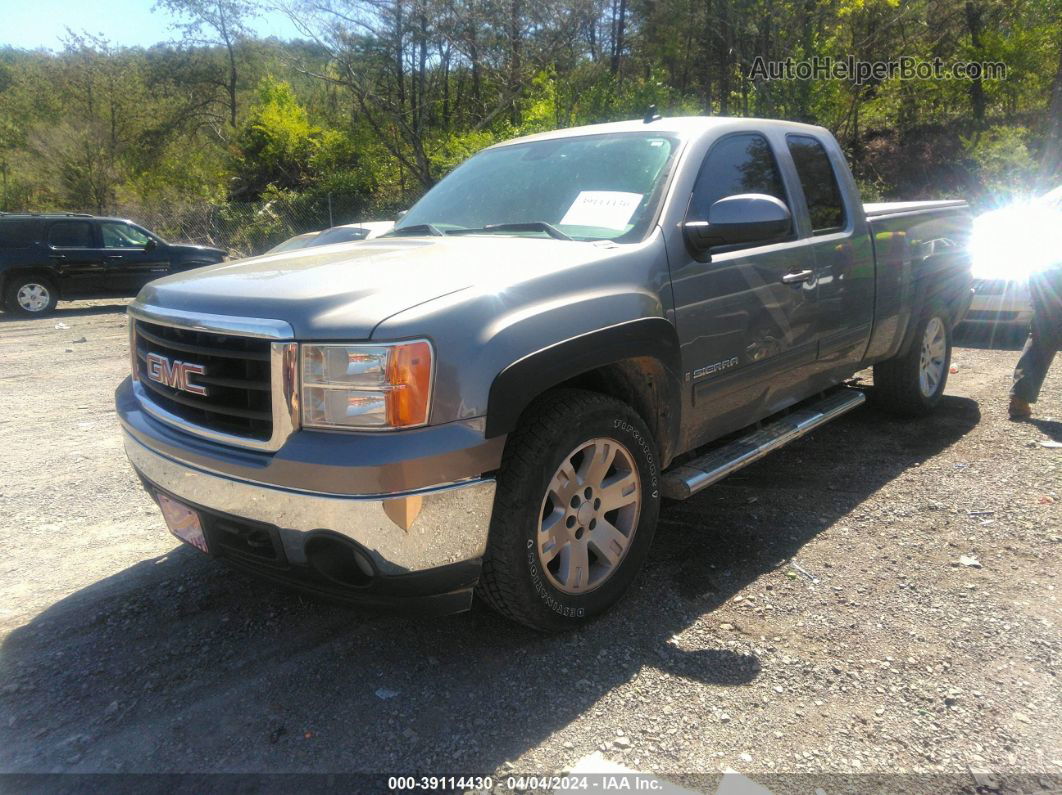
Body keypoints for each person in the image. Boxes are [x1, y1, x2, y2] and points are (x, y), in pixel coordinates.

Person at [1009, 264, 1062, 419]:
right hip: (1049, 275)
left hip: (1046, 274)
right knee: (1041, 339)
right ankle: (1019, 400)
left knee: (1041, 339)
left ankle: (1019, 400)